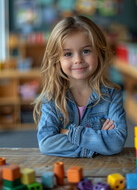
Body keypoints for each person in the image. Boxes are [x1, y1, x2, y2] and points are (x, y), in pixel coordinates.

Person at [33, 15, 127, 158]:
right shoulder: (51, 98)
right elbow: (46, 143)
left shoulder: (112, 96)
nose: (78, 60)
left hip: (102, 173)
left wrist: (67, 132)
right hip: (63, 175)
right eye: (68, 54)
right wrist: (98, 144)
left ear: (99, 52)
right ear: (56, 59)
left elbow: (116, 143)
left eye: (86, 51)